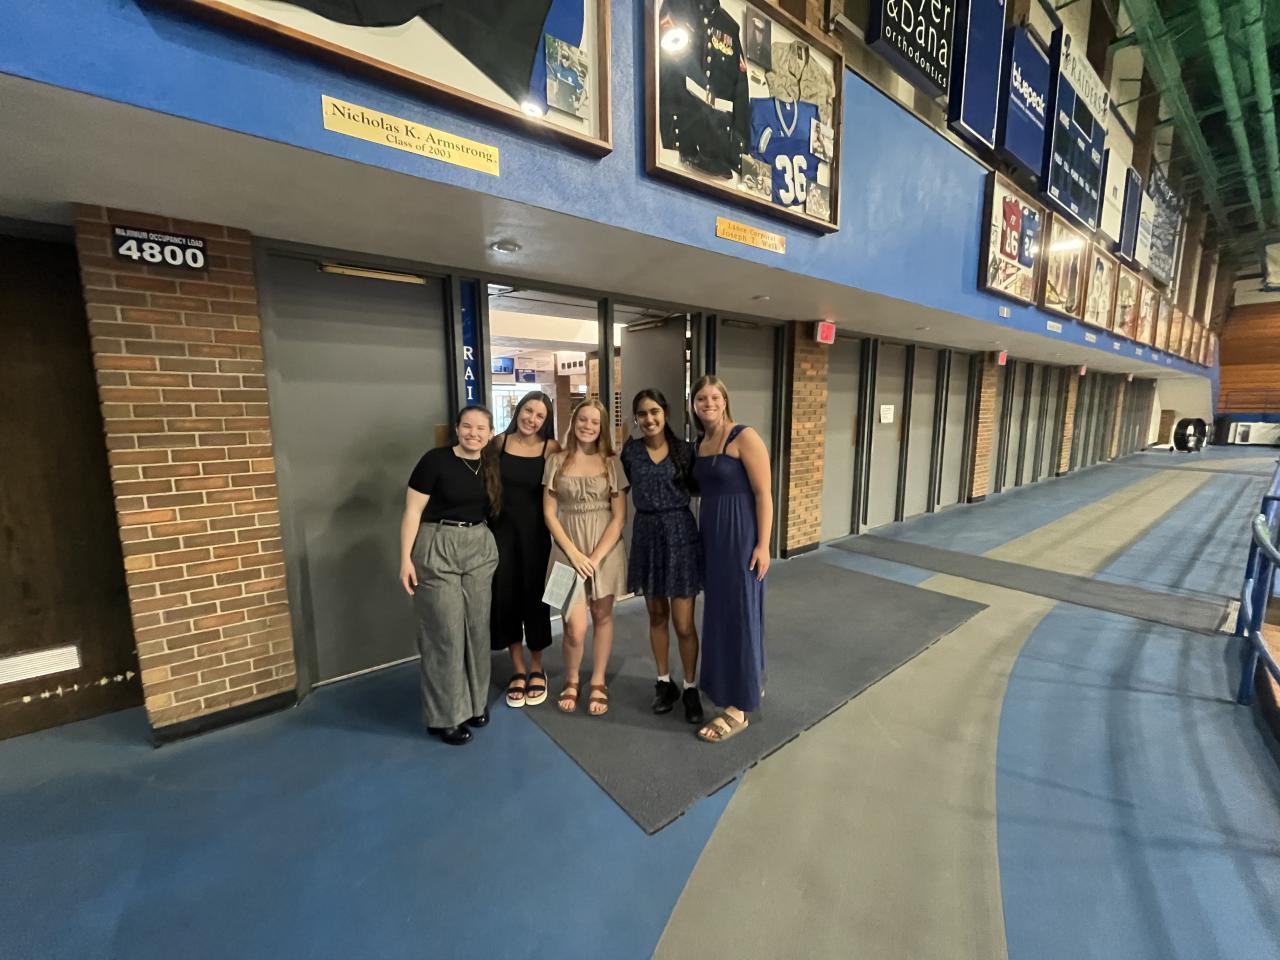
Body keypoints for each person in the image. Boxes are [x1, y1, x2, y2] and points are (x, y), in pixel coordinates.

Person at [398, 406, 501, 746]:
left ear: (490, 433)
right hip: (437, 544)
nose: (474, 433)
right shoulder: (435, 461)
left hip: (478, 546)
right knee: (445, 633)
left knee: (477, 629)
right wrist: (405, 559)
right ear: (457, 429)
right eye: (467, 426)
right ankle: (445, 716)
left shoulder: (489, 464)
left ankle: (474, 704)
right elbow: (413, 511)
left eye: (481, 428)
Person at [690, 375, 772, 743]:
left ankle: (739, 707)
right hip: (712, 536)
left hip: (740, 535)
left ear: (725, 400)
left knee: (740, 613)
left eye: (714, 397)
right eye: (701, 398)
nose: (708, 403)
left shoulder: (744, 436)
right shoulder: (701, 443)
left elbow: (764, 493)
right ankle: (741, 682)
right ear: (693, 405)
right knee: (720, 614)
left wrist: (763, 545)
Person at [620, 389, 704, 724]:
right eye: (642, 414)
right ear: (636, 418)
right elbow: (617, 487)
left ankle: (691, 687)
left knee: (683, 623)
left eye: (654, 411)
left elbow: (700, 487)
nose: (649, 419)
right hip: (647, 535)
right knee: (656, 616)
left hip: (680, 534)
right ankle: (664, 682)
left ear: (665, 412)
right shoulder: (631, 452)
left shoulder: (685, 450)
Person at [543, 398, 628, 717]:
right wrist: (575, 554)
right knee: (573, 626)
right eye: (583, 420)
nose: (588, 426)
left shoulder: (612, 462)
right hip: (566, 550)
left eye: (594, 421)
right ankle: (572, 679)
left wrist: (594, 556)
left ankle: (598, 681)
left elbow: (619, 517)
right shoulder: (556, 460)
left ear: (601, 427)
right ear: (573, 422)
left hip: (605, 550)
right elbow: (549, 513)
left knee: (603, 616)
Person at [489, 391, 560, 709]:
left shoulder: (551, 448)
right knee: (506, 599)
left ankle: (536, 667)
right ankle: (517, 668)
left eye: (540, 415)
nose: (532, 419)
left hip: (536, 535)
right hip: (501, 534)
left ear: (546, 421)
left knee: (535, 600)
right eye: (528, 411)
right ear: (519, 410)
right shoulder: (499, 443)